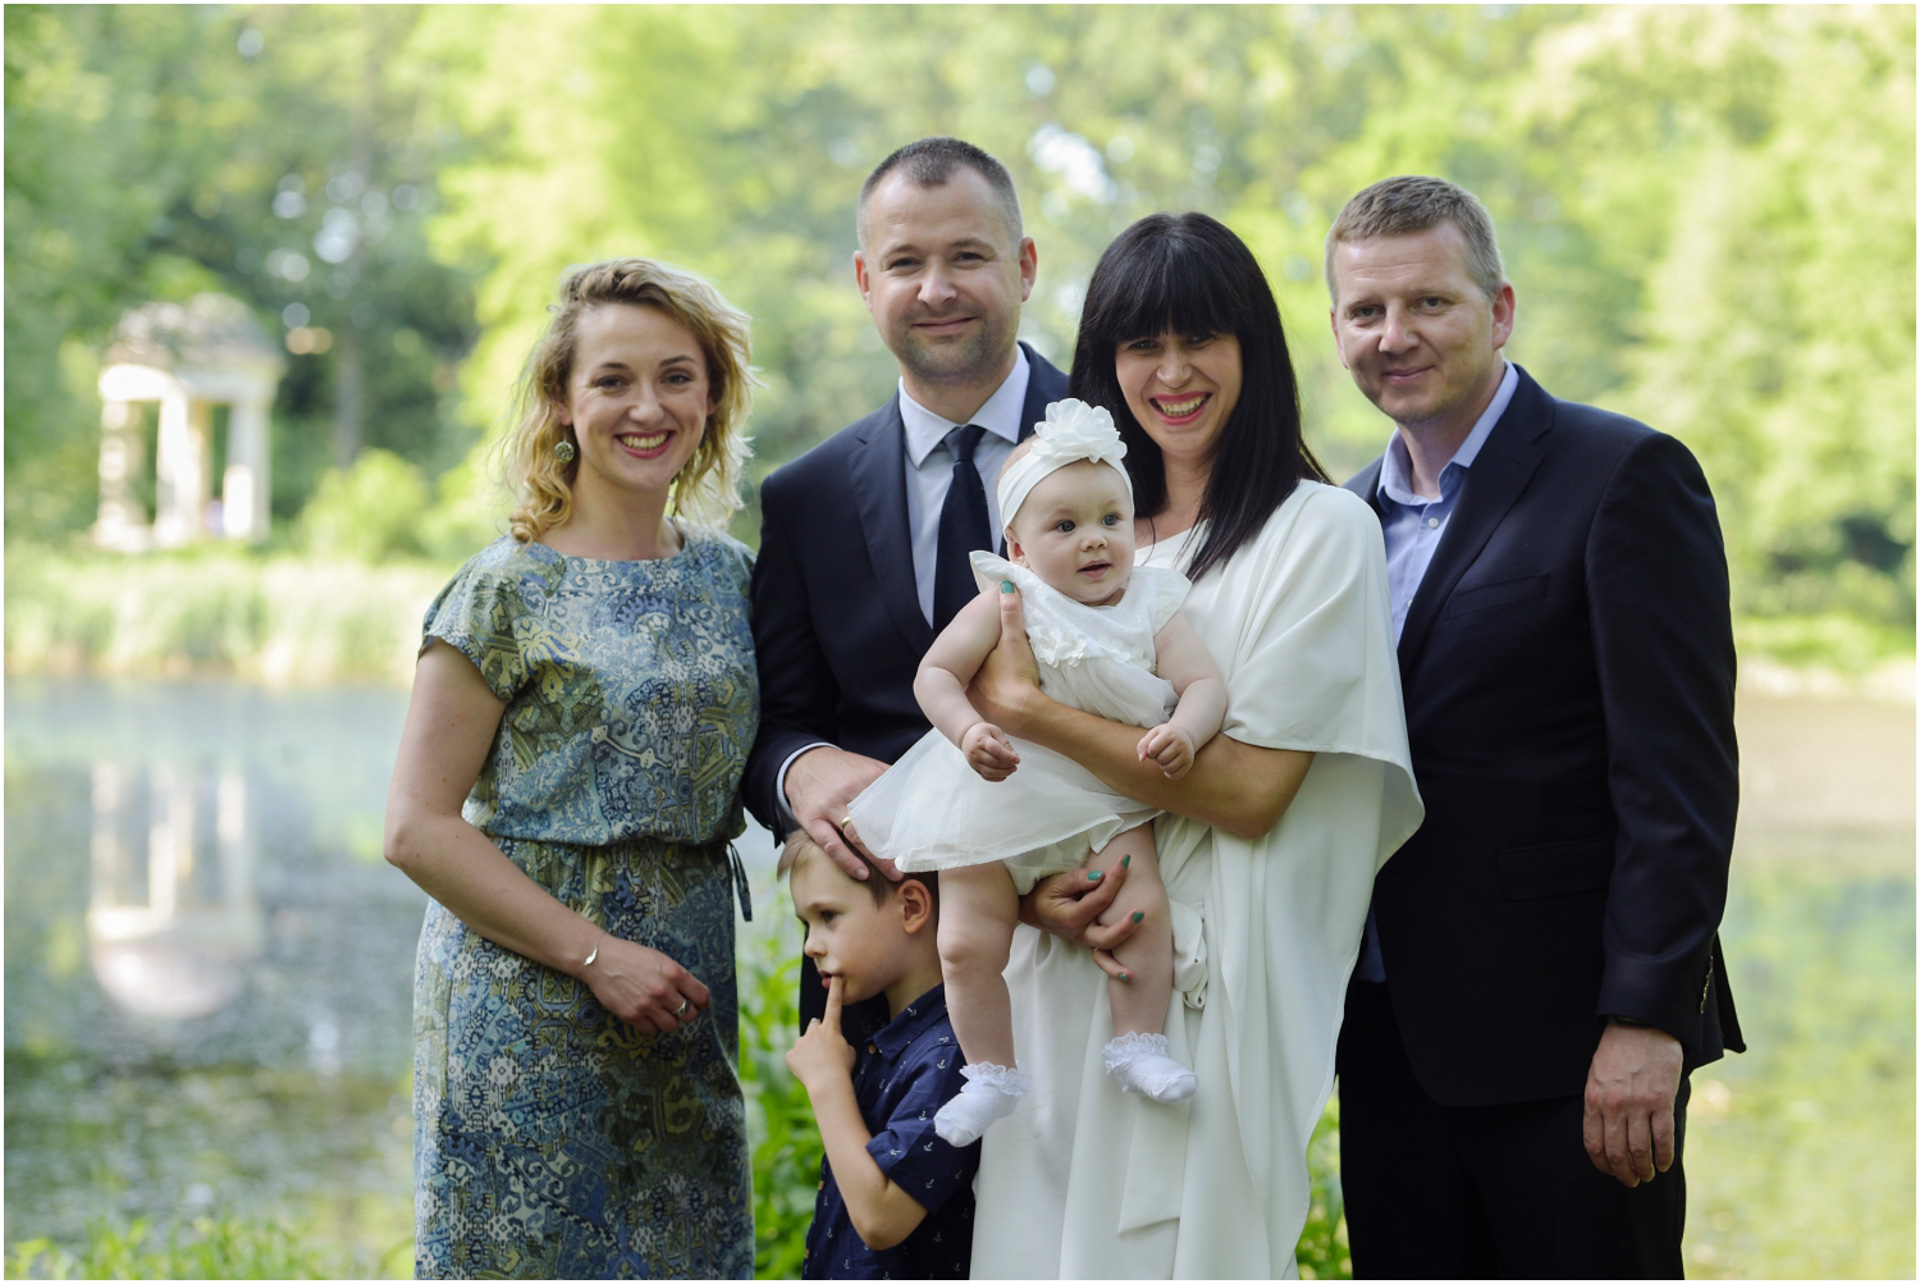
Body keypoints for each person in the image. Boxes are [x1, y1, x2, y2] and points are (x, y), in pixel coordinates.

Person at [962, 212, 1424, 1277]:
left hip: (1213, 994)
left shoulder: (1319, 532)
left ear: (1253, 348)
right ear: (1103, 363)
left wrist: (1035, 711)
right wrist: (1034, 900)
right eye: (1142, 344)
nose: (1172, 373)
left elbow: (1253, 794)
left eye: (1201, 338)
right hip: (1063, 963)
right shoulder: (1068, 541)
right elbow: (994, 773)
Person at [1324, 175, 1743, 1277]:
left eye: (1429, 302)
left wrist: (1647, 1022)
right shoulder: (1340, 522)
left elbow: (1679, 783)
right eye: (1366, 311)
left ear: (1499, 309)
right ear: (1338, 329)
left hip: (1574, 1058)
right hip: (1385, 1047)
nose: (1394, 335)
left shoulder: (1624, 476)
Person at [384, 258, 759, 1278]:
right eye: (613, 380)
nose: (649, 408)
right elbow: (417, 828)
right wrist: (597, 958)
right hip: (524, 1009)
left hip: (684, 995)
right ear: (561, 399)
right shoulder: (503, 589)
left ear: (713, 396)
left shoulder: (732, 578)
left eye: (677, 377)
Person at [743, 136, 1075, 1027]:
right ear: (864, 280)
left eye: (967, 256)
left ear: (1025, 265)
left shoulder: (1122, 444)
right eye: (904, 263)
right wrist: (799, 768)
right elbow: (773, 722)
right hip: (883, 987)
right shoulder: (805, 496)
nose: (936, 290)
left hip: (1090, 955)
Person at [847, 399, 1225, 1145]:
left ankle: (1138, 1043)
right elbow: (935, 676)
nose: (1095, 539)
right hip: (997, 792)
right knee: (965, 942)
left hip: (1104, 796)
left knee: (1141, 910)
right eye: (1065, 526)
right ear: (1018, 548)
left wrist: (1185, 729)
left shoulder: (1150, 604)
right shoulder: (1006, 599)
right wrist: (968, 730)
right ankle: (988, 1072)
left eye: (1111, 519)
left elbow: (1205, 683)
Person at [782, 830, 980, 1279]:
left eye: (828, 916)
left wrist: (828, 1084)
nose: (810, 945)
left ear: (910, 908)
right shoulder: (884, 1037)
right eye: (806, 924)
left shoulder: (953, 1053)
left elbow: (881, 1218)